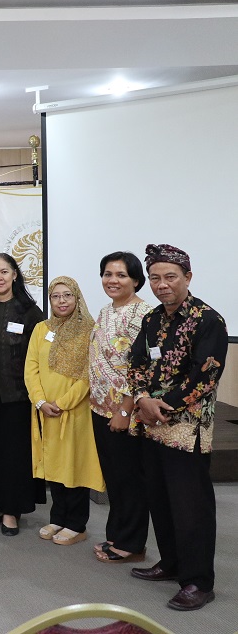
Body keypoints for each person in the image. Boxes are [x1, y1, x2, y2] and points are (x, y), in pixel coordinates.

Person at [127, 244, 228, 612]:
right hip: (150, 424)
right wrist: (142, 398)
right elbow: (136, 362)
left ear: (188, 277)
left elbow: (205, 375)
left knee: (191, 507)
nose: (162, 284)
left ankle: (198, 581)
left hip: (187, 429)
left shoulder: (208, 320)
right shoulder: (152, 319)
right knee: (160, 500)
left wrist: (161, 404)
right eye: (155, 278)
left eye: (170, 277)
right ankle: (170, 563)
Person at [25, 276, 104, 547]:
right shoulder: (41, 328)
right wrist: (40, 401)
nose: (61, 301)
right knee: (54, 465)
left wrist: (63, 403)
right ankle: (58, 517)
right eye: (56, 296)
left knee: (74, 466)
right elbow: (31, 367)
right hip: (45, 410)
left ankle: (77, 524)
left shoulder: (90, 330)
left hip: (74, 412)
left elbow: (89, 373)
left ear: (77, 297)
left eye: (67, 295)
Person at [0, 253, 45, 536]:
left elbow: (41, 356)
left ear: (15, 274)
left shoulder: (30, 312)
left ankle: (12, 511)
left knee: (15, 455)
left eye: (4, 271)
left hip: (18, 396)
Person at [89, 251, 152, 564]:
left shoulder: (143, 314)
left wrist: (125, 410)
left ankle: (132, 544)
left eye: (121, 275)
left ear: (136, 280)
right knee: (114, 477)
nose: (112, 280)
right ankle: (117, 534)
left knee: (129, 479)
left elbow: (141, 368)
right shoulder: (105, 310)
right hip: (100, 408)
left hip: (126, 412)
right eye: (107, 274)